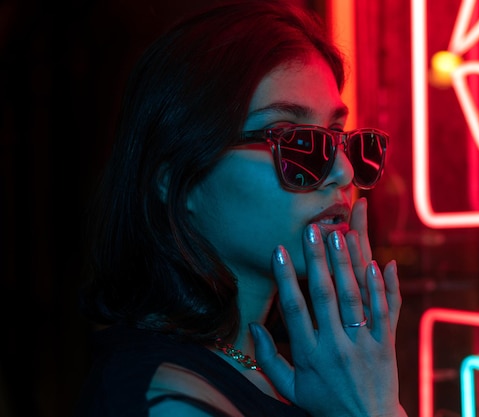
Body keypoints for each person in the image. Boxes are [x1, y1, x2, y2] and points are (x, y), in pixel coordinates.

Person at [75, 0, 406, 416]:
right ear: (177, 180)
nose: (341, 169)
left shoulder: (304, 369)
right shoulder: (168, 400)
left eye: (337, 133)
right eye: (290, 137)